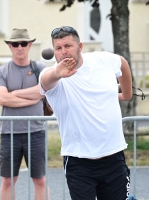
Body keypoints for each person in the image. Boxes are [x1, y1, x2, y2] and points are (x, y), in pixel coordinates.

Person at [39, 26, 133, 200]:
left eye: (68, 46)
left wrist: (127, 94)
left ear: (80, 46)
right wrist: (57, 73)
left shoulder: (103, 60)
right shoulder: (52, 75)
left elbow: (122, 62)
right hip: (78, 161)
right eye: (58, 48)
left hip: (113, 156)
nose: (64, 52)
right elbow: (45, 81)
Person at [0, 28, 49, 200]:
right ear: (9, 46)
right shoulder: (2, 71)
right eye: (15, 44)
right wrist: (31, 98)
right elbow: (1, 98)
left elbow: (44, 91)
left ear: (29, 45)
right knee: (8, 180)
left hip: (36, 132)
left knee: (40, 180)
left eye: (23, 43)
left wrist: (15, 93)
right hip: (10, 133)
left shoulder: (40, 68)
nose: (19, 47)